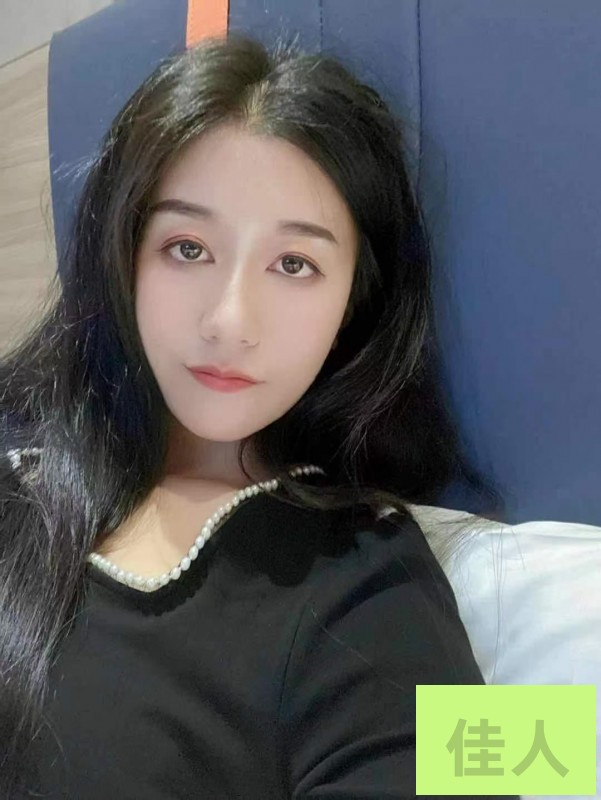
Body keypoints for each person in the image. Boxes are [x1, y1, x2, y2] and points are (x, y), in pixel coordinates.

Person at [0, 32, 516, 799]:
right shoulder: (26, 459)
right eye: (186, 248)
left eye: (294, 264)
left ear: (353, 304)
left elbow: (476, 763)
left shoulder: (371, 583)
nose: (229, 320)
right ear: (123, 256)